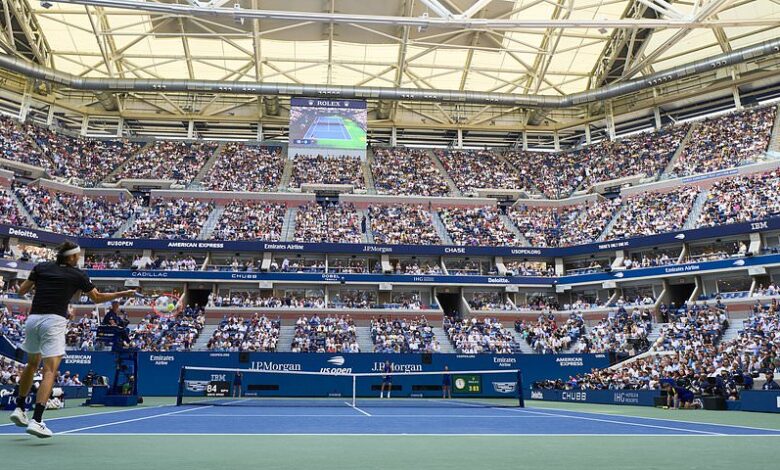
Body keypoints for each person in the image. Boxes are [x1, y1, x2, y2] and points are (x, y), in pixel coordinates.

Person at [9, 241, 137, 438]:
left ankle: (19, 407)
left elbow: (21, 291)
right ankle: (37, 420)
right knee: (50, 369)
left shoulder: (41, 267)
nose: (78, 258)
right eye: (76, 255)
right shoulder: (77, 274)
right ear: (70, 257)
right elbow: (97, 297)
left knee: (31, 364)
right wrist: (122, 293)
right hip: (53, 321)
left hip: (33, 319)